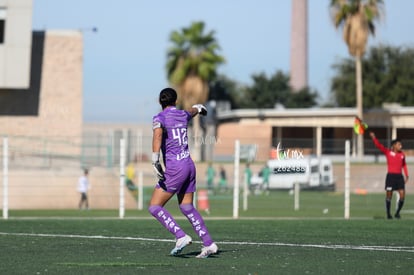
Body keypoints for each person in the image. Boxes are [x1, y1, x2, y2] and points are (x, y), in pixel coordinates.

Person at [148, 88, 218, 258]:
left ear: (160, 102)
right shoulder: (182, 114)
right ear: (176, 101)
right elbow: (192, 111)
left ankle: (180, 236)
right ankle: (209, 244)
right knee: (186, 206)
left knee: (155, 207)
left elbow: (157, 136)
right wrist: (199, 107)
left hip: (175, 168)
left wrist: (155, 160)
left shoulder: (159, 118)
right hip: (188, 165)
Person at [370, 132, 409, 219]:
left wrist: (407, 175)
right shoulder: (388, 152)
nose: (401, 146)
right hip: (390, 177)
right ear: (394, 146)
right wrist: (374, 138)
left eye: (401, 144)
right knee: (389, 196)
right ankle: (388, 214)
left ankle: (397, 213)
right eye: (399, 144)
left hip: (399, 177)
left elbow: (404, 165)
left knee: (402, 196)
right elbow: (379, 146)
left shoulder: (402, 155)